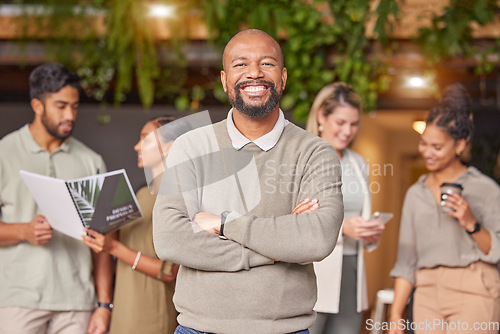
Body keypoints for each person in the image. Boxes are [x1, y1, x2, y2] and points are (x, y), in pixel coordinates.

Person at [152, 29, 344, 334]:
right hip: (198, 328)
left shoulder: (315, 152)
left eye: (266, 64)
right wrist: (278, 246)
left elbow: (317, 239)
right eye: (240, 65)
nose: (254, 73)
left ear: (282, 77)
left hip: (286, 330)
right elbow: (169, 238)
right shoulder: (191, 146)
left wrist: (224, 224)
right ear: (224, 79)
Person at [0, 63, 113, 334]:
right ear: (37, 106)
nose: (70, 115)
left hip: (77, 302)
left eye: (74, 107)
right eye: (61, 106)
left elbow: (105, 241)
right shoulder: (4, 153)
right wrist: (24, 231)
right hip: (18, 300)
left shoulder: (92, 162)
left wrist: (104, 305)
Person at [389, 83, 500, 334]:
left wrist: (471, 222)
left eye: (437, 147)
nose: (427, 153)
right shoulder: (415, 194)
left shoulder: (486, 189)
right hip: (427, 293)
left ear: (459, 145)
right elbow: (407, 261)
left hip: (475, 290)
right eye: (423, 143)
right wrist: (396, 313)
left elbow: (497, 250)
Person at [82, 116, 181, 334]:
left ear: (170, 146)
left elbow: (170, 271)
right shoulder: (142, 195)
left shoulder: (178, 195)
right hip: (124, 309)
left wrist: (114, 248)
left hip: (152, 312)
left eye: (145, 139)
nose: (137, 146)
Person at [305, 82, 385, 334]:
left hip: (351, 271)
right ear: (321, 116)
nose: (348, 131)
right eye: (341, 122)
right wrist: (343, 229)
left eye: (354, 124)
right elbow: (295, 220)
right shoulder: (304, 157)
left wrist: (370, 232)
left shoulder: (358, 163)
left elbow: (359, 214)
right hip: (314, 272)